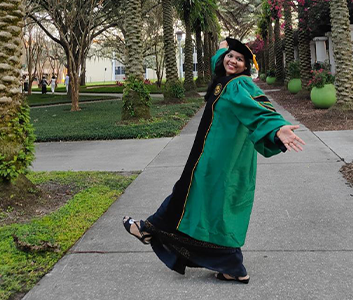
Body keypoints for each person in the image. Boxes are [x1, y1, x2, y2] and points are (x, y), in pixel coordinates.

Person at [122, 37, 306, 284]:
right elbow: (218, 59)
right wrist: (223, 45)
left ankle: (148, 229)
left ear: (245, 67)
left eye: (239, 59)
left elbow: (260, 110)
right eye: (230, 56)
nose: (232, 61)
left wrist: (278, 128)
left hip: (221, 159)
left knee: (194, 195)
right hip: (210, 153)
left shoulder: (240, 85)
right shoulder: (225, 78)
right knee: (207, 202)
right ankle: (232, 267)